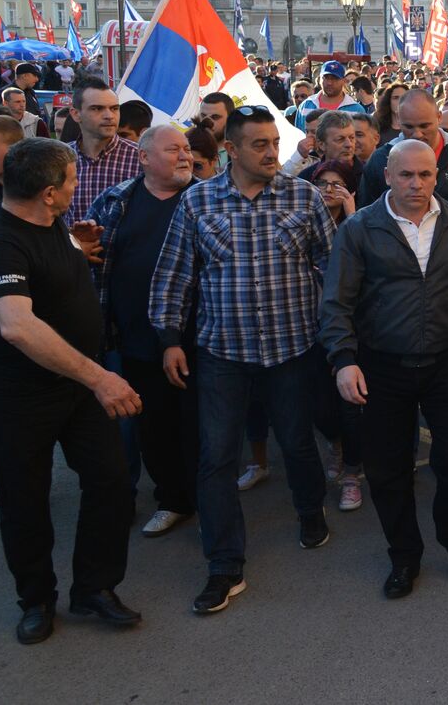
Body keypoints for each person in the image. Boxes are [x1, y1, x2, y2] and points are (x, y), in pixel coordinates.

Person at [149, 105, 334, 616]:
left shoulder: (304, 196)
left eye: (275, 141)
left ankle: (309, 509)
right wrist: (169, 338)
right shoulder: (198, 203)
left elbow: (330, 265)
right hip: (221, 353)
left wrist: (329, 328)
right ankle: (225, 564)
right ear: (230, 149)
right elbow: (174, 275)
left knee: (297, 442)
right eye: (259, 144)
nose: (272, 151)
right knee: (217, 457)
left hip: (292, 348)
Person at [0, 138, 142, 644]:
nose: (76, 188)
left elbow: (53, 272)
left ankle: (93, 588)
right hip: (19, 397)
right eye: (70, 181)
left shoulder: (52, 224)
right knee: (24, 499)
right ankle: (36, 599)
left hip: (76, 390)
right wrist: (99, 377)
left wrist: (76, 244)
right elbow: (17, 327)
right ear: (48, 192)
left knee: (111, 482)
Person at [319, 139, 448, 599]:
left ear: (437, 176)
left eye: (425, 174)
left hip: (444, 363)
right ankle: (404, 555)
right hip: (382, 367)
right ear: (387, 176)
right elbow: (337, 302)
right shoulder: (359, 229)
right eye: (406, 175)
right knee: (387, 470)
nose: (416, 183)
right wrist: (344, 360)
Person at [84, 125, 200, 538]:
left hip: (200, 338)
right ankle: (173, 500)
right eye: (173, 150)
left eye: (187, 149)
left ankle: (209, 499)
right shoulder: (116, 201)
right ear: (145, 158)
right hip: (135, 339)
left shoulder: (209, 198)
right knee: (153, 426)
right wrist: (82, 249)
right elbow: (86, 254)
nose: (185, 155)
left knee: (201, 425)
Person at [358, 90, 448, 206]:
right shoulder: (380, 160)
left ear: (439, 117)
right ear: (398, 119)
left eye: (424, 126)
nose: (417, 134)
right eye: (409, 127)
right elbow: (367, 215)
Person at [64, 79, 141, 227]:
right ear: (75, 114)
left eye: (114, 108)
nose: (109, 116)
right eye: (97, 108)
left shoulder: (140, 158)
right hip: (71, 248)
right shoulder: (60, 159)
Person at [292, 61, 366, 130]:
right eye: (326, 78)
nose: (329, 83)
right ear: (319, 79)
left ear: (343, 81)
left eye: (335, 79)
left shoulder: (357, 110)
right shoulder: (306, 106)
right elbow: (298, 137)